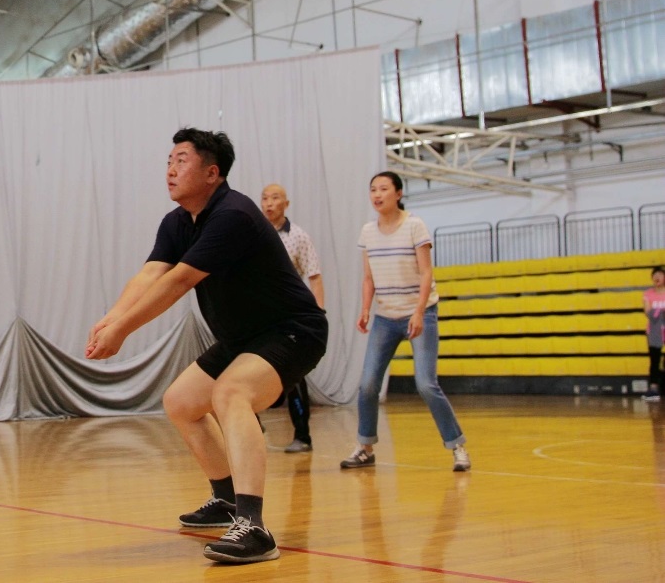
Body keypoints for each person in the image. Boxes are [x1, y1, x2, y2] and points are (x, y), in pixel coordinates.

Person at [86, 128, 327, 565]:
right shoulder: (177, 222)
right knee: (181, 402)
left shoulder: (232, 215)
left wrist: (123, 330)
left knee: (232, 393)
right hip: (243, 338)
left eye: (181, 160)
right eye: (169, 161)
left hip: (292, 330)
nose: (170, 169)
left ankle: (254, 528)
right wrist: (111, 319)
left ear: (212, 173)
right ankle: (227, 500)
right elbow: (150, 275)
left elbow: (179, 281)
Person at [341, 171, 469, 473]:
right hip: (385, 317)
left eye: (384, 189)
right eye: (373, 189)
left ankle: (457, 447)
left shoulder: (414, 226)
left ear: (398, 193)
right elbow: (368, 278)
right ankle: (365, 448)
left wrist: (419, 311)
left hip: (419, 314)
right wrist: (365, 309)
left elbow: (426, 273)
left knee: (426, 384)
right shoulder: (368, 232)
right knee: (368, 385)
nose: (377, 194)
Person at [259, 184, 325, 453]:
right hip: (257, 315)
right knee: (239, 366)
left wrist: (318, 316)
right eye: (264, 198)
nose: (269, 203)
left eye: (275, 198)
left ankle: (303, 435)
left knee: (294, 377)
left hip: (289, 317)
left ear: (286, 204)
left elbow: (314, 276)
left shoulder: (298, 236)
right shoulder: (254, 233)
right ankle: (251, 421)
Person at [643, 266, 665, 402]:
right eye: (654, 275)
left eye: (660, 274)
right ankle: (653, 389)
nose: (657, 277)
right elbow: (648, 313)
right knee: (654, 360)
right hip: (654, 331)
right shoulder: (648, 294)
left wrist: (657, 311)